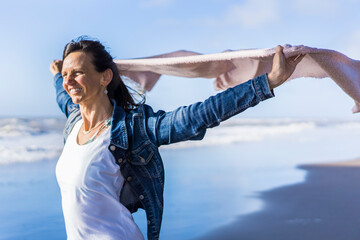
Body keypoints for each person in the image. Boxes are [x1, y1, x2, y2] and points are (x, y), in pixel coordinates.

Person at [50, 37, 303, 240]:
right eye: (65, 75)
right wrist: (55, 76)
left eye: (78, 73)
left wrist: (267, 83)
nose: (69, 81)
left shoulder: (133, 129)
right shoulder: (74, 122)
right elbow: (64, 97)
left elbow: (197, 116)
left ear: (105, 77)